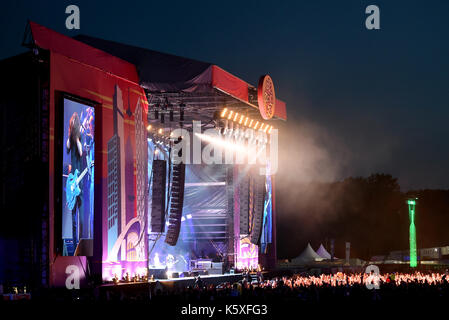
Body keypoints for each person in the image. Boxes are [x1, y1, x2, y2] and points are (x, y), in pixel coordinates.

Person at [67, 112, 84, 253]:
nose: (72, 125)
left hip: (80, 177)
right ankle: (74, 242)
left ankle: (81, 240)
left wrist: (78, 139)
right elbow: (67, 148)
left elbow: (81, 152)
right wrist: (70, 136)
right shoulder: (70, 139)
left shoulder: (79, 137)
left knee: (81, 210)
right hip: (72, 179)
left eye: (74, 123)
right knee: (72, 211)